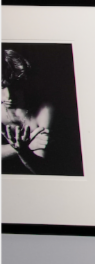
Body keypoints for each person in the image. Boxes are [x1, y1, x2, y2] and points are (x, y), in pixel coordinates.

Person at [2, 48, 84, 177]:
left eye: (14, 86)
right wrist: (22, 148)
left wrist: (24, 152)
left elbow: (42, 170)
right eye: (1, 87)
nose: (8, 96)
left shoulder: (44, 110)